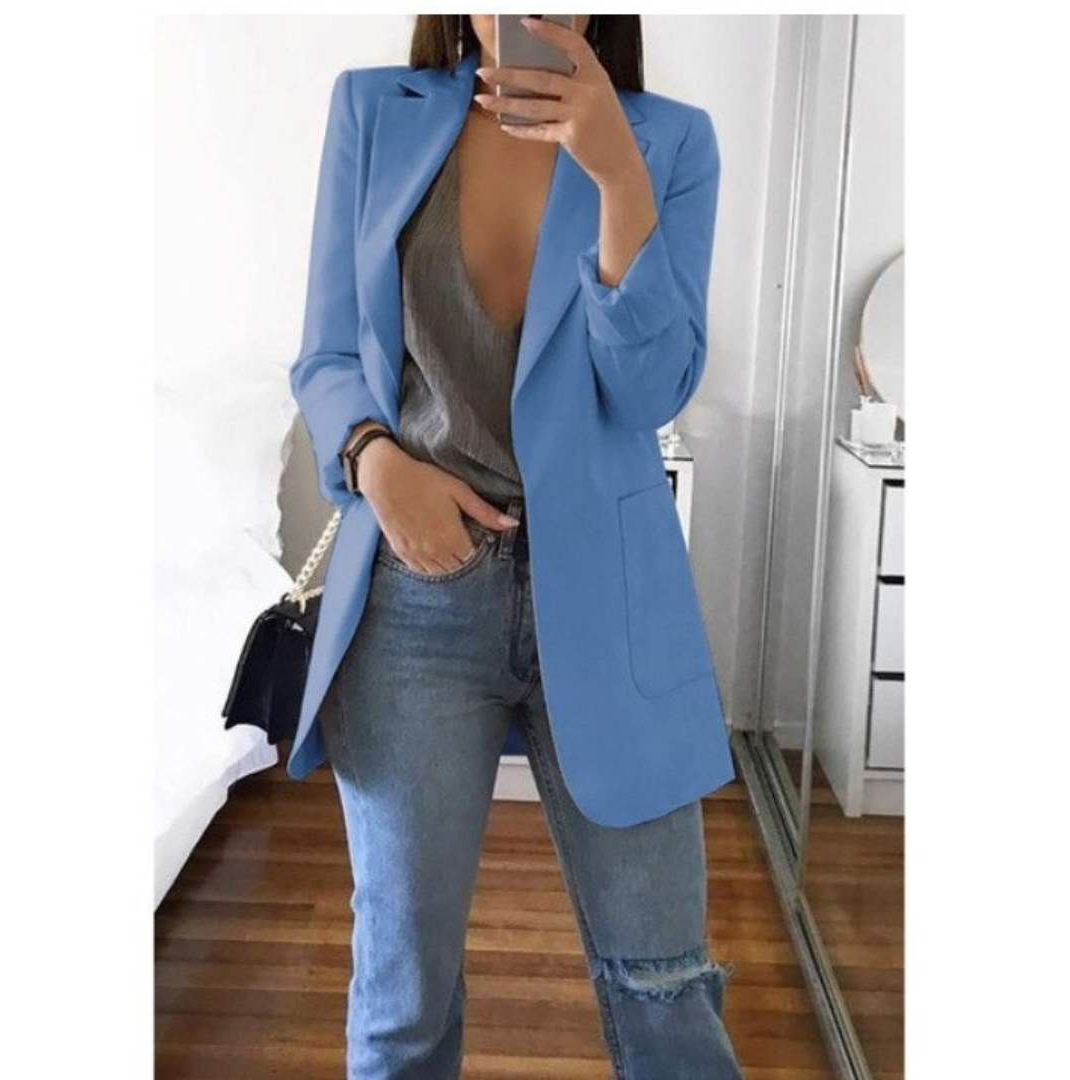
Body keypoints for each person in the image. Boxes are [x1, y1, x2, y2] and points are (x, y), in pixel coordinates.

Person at [292, 14, 747, 1080]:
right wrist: (375, 462)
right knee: (401, 1003)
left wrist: (619, 178)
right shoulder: (373, 113)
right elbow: (325, 356)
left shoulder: (670, 142)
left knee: (666, 989)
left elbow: (651, 389)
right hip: (415, 596)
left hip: (610, 601)